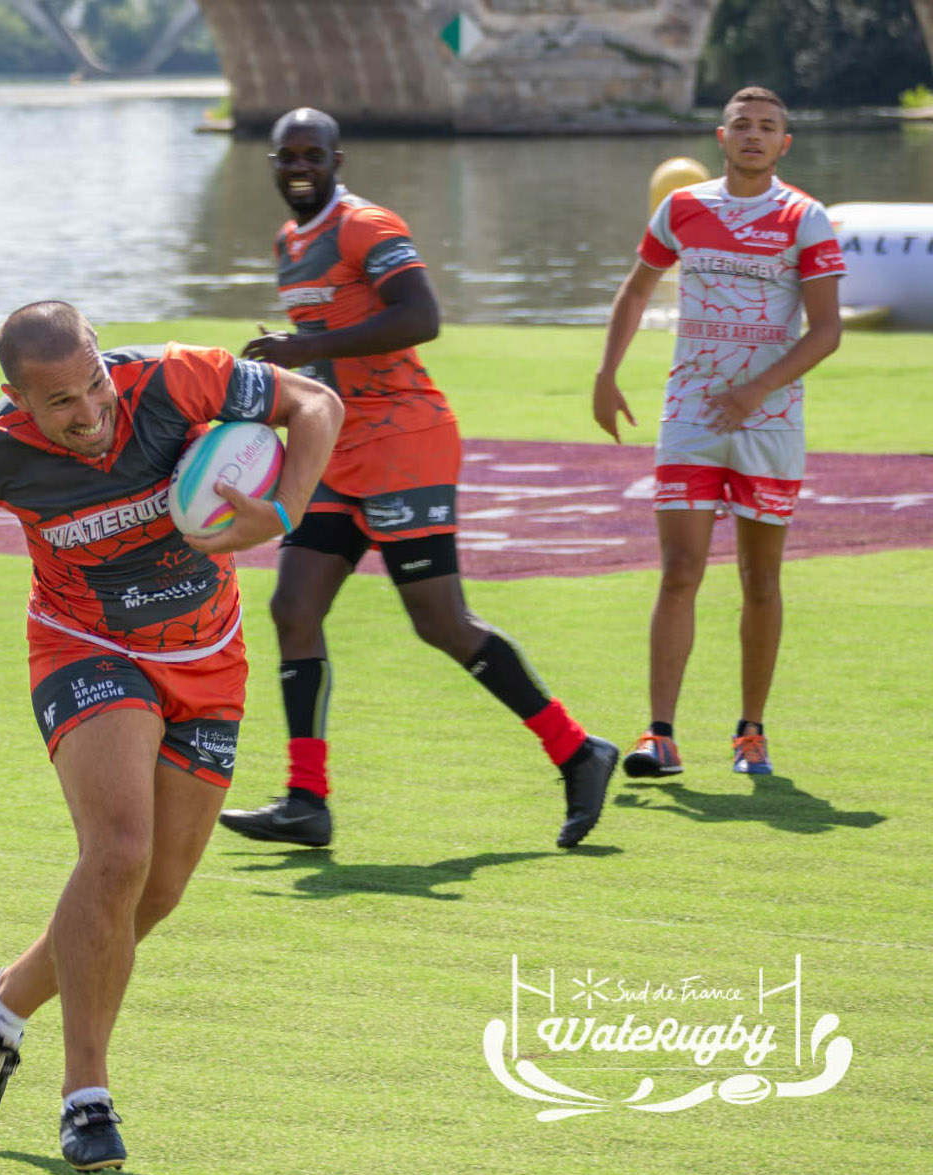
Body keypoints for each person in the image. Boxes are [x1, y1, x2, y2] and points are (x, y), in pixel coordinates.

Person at [0, 301, 340, 1172]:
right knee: (117, 852)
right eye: (62, 405)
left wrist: (286, 507)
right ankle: (86, 1098)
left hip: (210, 652)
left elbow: (315, 403)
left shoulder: (173, 378)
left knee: (152, 893)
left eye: (96, 386)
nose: (91, 414)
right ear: (15, 399)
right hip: (88, 647)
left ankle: (1, 1003)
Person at [217, 107, 617, 853]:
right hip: (340, 448)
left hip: (408, 442)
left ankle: (577, 750)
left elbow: (422, 316)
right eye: (286, 156)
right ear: (272, 165)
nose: (299, 166)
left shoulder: (367, 225)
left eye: (313, 154)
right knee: (292, 607)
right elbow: (332, 353)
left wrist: (307, 347)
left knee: (439, 622)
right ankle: (307, 800)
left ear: (338, 158)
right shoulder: (289, 240)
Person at [593, 86, 844, 779]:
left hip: (769, 424)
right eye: (743, 126)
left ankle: (750, 733)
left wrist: (758, 389)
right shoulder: (684, 207)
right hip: (690, 419)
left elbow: (827, 330)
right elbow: (637, 289)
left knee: (760, 579)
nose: (754, 136)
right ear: (721, 136)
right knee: (679, 572)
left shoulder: (805, 217)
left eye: (767, 128)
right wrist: (606, 372)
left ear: (784, 143)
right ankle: (659, 735)